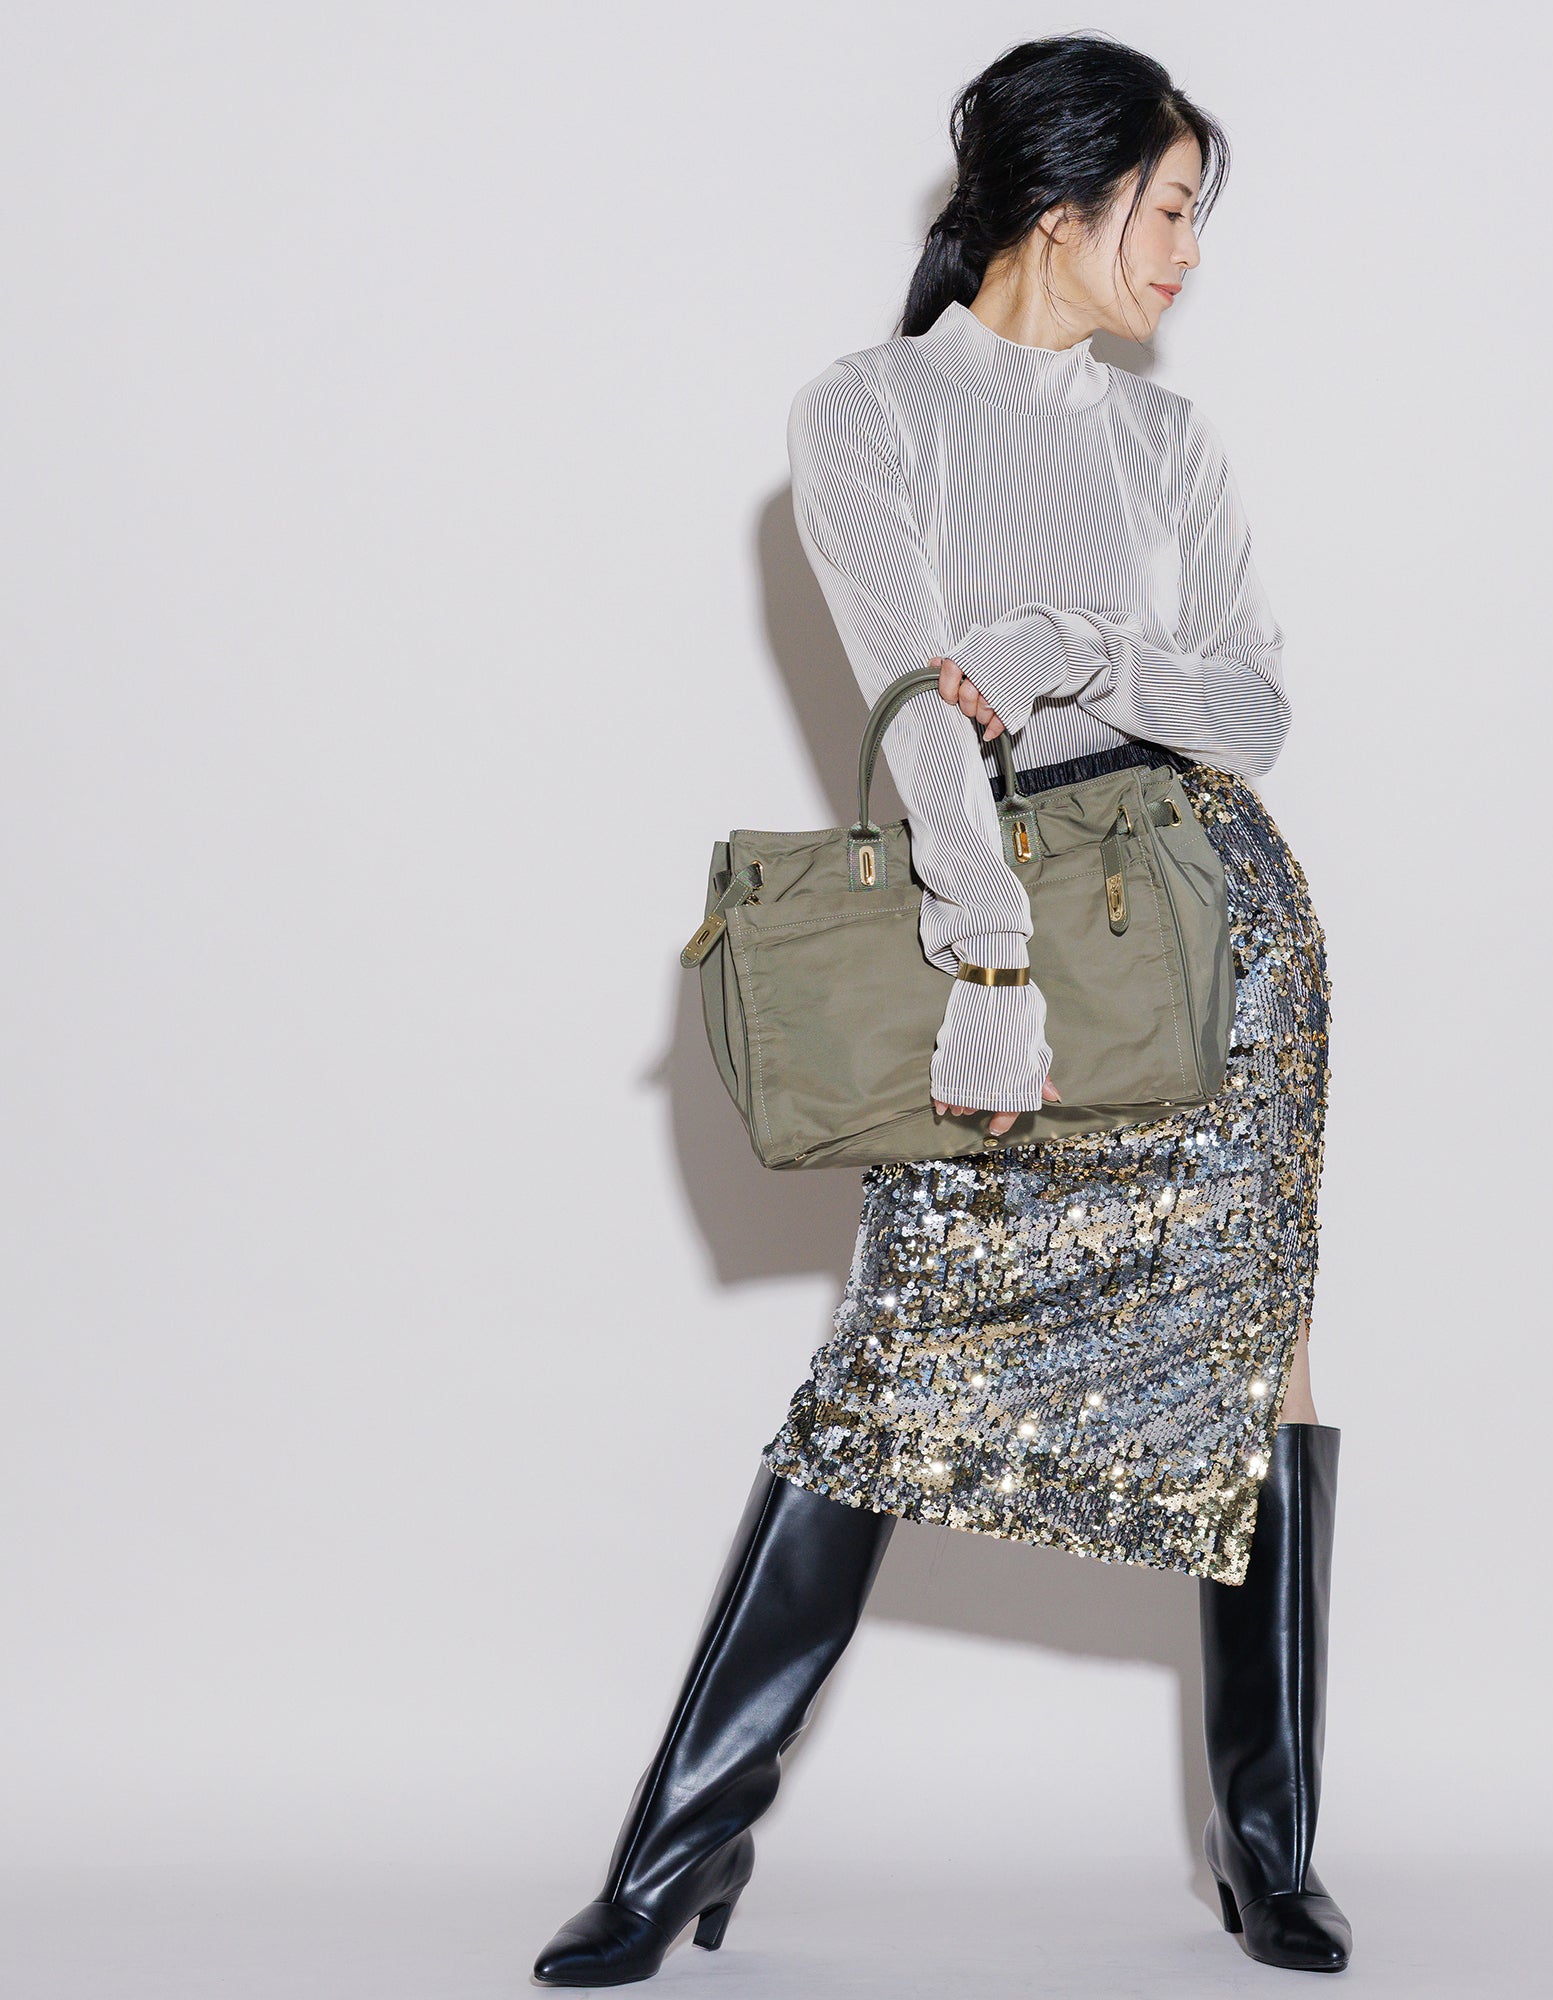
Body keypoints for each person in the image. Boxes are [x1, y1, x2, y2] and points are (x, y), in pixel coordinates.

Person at [534, 32, 1350, 1985]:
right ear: (1059, 208)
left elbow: (1251, 710)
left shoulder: (1167, 443)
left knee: (1264, 1356)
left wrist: (1079, 646)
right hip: (1001, 911)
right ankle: (679, 1845)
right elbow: (916, 716)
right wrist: (986, 961)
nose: (1191, 254)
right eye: (1170, 210)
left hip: (1212, 922)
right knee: (891, 1364)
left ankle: (1267, 1845)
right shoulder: (868, 414)